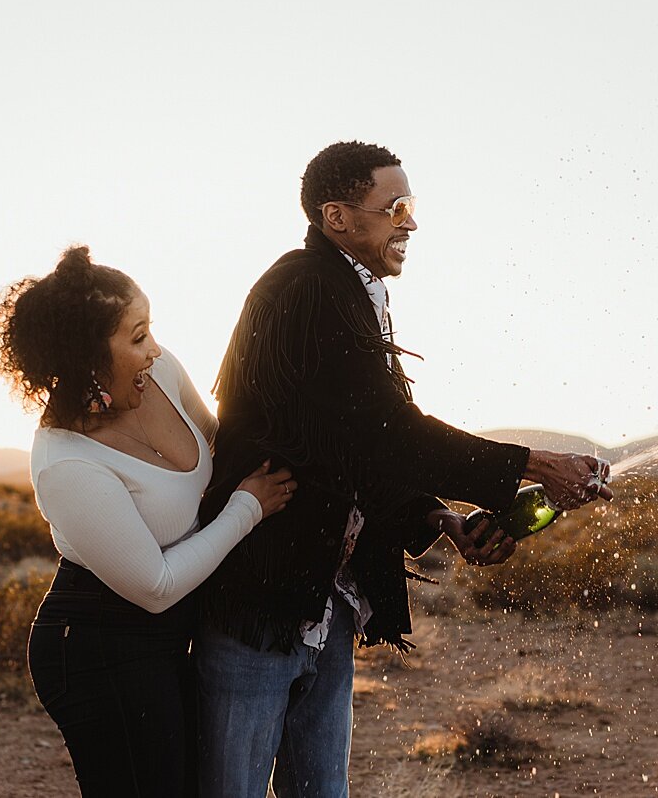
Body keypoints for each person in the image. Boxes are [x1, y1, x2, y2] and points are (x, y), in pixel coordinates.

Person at [193, 141, 610, 798]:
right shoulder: (302, 288)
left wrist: (437, 516)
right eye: (396, 207)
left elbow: (352, 451)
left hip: (324, 602)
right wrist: (537, 464)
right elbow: (386, 433)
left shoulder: (354, 292)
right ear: (337, 217)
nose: (410, 223)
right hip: (260, 606)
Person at [0, 246, 295, 797]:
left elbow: (224, 442)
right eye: (136, 336)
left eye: (150, 330)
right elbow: (155, 586)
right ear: (85, 356)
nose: (153, 350)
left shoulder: (162, 372)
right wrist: (248, 507)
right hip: (99, 646)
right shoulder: (67, 463)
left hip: (169, 638)